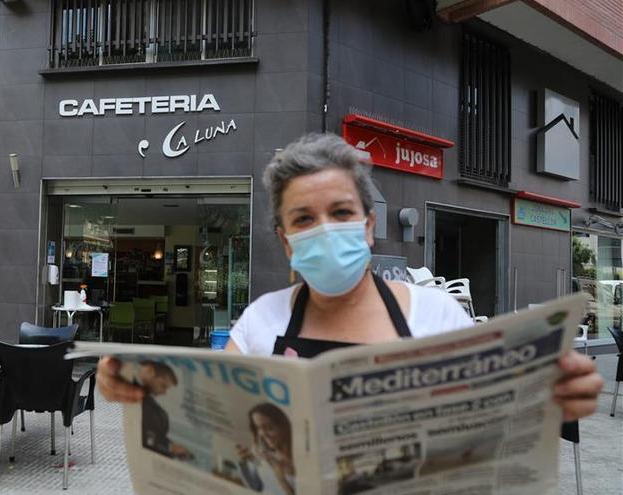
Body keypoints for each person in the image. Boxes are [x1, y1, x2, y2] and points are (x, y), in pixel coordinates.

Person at [98, 132, 603, 424]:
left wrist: (551, 397)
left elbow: (495, 414)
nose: (323, 230)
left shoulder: (438, 317)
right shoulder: (261, 321)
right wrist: (140, 388)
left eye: (340, 211)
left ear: (368, 225)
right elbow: (209, 410)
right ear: (284, 240)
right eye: (302, 219)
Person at [237, 403, 295, 495]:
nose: (262, 434)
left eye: (268, 427)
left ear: (283, 426)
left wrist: (281, 479)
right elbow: (255, 487)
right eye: (258, 428)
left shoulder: (298, 459)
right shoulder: (261, 452)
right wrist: (244, 464)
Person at [137, 361, 191, 459]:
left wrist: (171, 445)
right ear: (149, 371)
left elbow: (152, 434)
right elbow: (145, 438)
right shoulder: (148, 405)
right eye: (163, 386)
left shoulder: (151, 403)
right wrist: (170, 447)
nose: (163, 392)